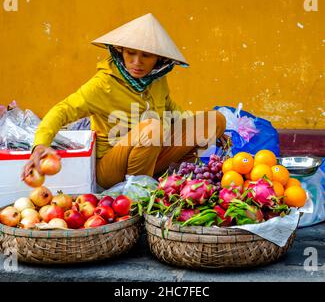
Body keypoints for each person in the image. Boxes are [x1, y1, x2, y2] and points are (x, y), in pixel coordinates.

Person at [21, 13, 228, 189]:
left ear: (159, 59)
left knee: (215, 120)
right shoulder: (103, 84)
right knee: (152, 129)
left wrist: (202, 131)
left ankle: (174, 182)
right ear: (120, 50)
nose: (137, 63)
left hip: (153, 153)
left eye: (146, 56)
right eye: (130, 53)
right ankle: (137, 192)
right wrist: (40, 145)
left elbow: (170, 109)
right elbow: (62, 110)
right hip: (111, 167)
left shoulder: (157, 80)